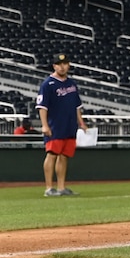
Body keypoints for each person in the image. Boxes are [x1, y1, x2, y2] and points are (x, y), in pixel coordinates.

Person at [37, 53, 88, 197]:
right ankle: (49, 188)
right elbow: (42, 106)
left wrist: (81, 123)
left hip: (70, 125)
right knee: (52, 154)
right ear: (54, 66)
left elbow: (77, 106)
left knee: (64, 156)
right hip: (55, 125)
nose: (62, 67)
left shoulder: (71, 83)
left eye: (65, 64)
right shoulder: (48, 84)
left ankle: (61, 187)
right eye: (59, 64)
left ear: (69, 65)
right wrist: (45, 125)